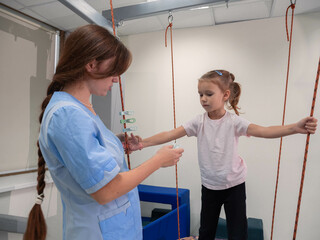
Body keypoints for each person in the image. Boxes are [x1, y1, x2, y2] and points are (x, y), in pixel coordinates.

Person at [23, 24, 184, 240]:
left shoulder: (81, 109)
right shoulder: (68, 116)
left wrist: (116, 142)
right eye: (114, 70)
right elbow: (106, 190)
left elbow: (88, 155)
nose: (116, 79)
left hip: (115, 228)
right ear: (91, 64)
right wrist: (158, 161)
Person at [128, 69, 318, 240]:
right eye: (200, 94)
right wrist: (142, 143)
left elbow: (264, 131)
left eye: (209, 94)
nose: (203, 99)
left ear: (225, 95)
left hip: (234, 185)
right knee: (206, 231)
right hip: (209, 187)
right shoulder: (198, 122)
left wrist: (295, 128)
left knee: (237, 232)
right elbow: (170, 134)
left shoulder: (234, 122)